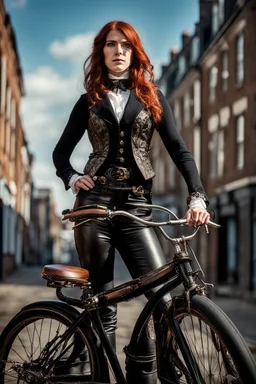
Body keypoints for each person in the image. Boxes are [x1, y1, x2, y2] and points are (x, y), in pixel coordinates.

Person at [52, 20, 210, 384]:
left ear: (134, 52)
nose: (118, 51)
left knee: (163, 300)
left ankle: (149, 371)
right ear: (102, 51)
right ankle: (101, 378)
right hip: (94, 204)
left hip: (138, 206)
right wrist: (74, 178)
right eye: (111, 44)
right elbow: (61, 153)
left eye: (125, 45)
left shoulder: (153, 97)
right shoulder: (88, 101)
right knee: (102, 304)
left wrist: (197, 195)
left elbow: (180, 151)